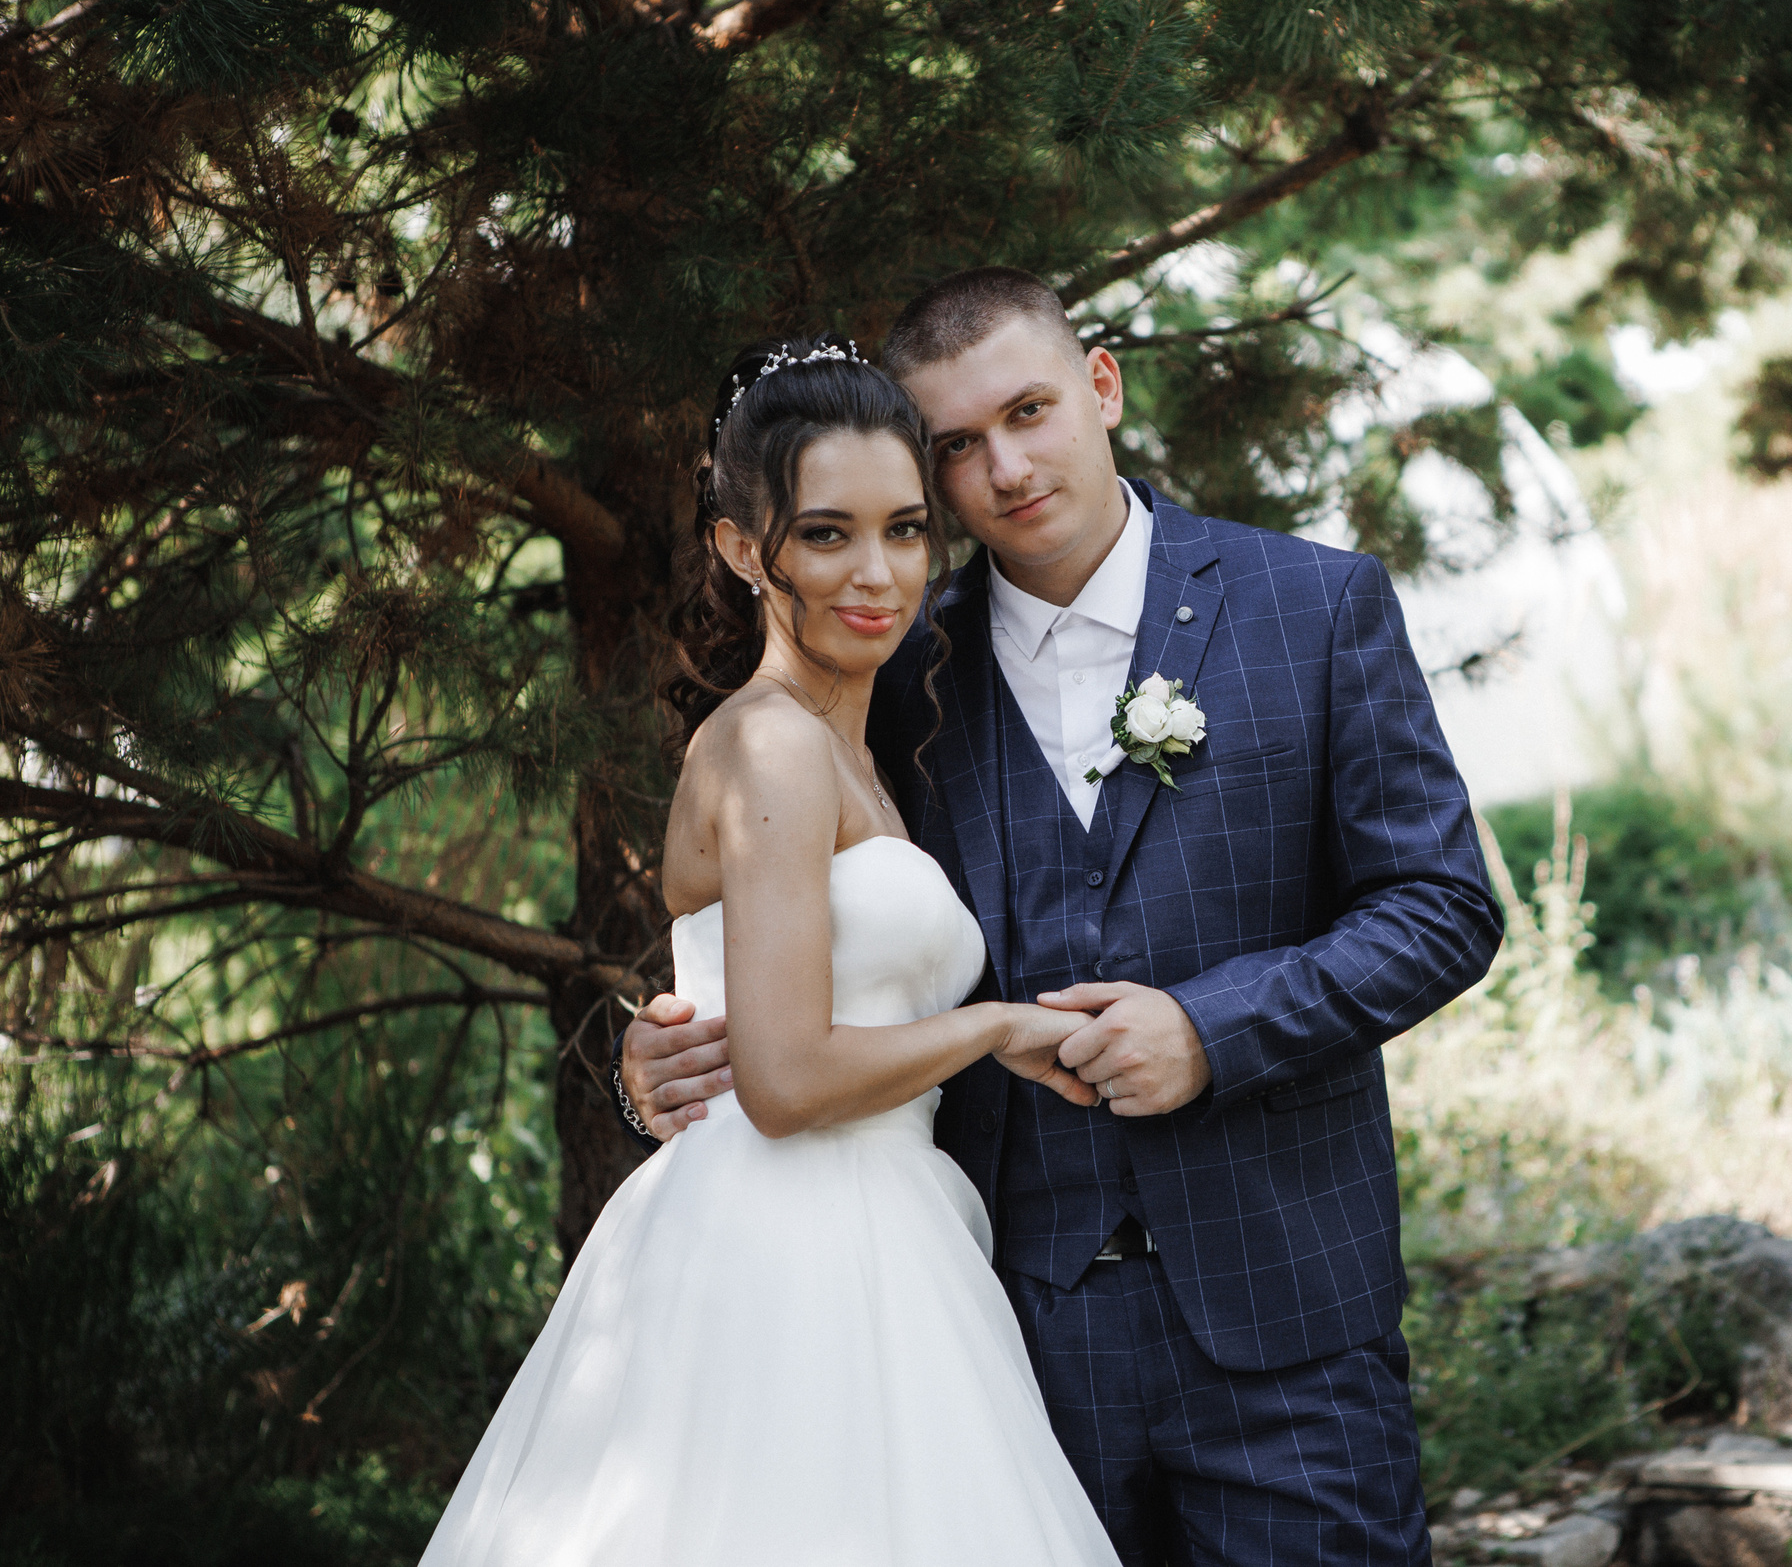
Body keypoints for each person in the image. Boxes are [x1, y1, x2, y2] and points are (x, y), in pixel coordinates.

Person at [621, 270, 1505, 1565]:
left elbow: (1440, 906)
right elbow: (798, 941)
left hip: (1288, 1322)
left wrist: (1212, 1028)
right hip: (1003, 1334)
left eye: (1030, 410)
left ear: (1102, 385)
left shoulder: (1314, 609)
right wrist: (660, 1059)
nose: (1006, 468)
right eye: (958, 447)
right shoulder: (896, 670)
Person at [420, 342, 1120, 1567]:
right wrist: (1002, 1027)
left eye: (905, 530)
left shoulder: (856, 746)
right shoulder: (775, 747)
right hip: (792, 1241)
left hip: (882, 1228)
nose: (878, 574)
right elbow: (786, 1085)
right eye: (825, 534)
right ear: (745, 549)